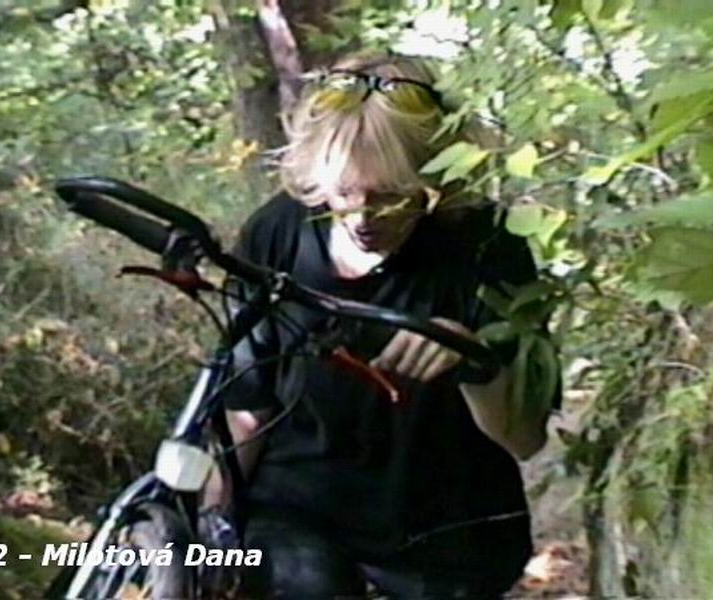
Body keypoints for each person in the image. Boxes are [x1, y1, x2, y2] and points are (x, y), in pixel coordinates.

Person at [218, 51, 561, 599]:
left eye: (390, 196)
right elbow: (246, 407)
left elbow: (524, 437)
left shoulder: (487, 247)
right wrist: (207, 523)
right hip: (297, 515)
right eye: (343, 192)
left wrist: (473, 359)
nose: (361, 218)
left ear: (433, 179)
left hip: (445, 535)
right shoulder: (276, 233)